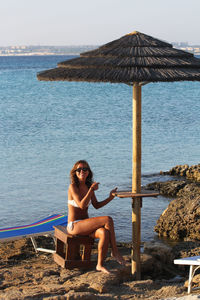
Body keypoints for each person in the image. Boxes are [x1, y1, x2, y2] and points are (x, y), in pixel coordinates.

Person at [67, 159, 126, 274]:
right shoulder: (73, 187)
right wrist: (91, 190)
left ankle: (99, 265)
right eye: (79, 169)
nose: (82, 171)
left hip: (85, 226)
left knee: (104, 233)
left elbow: (97, 205)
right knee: (108, 219)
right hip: (74, 226)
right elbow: (82, 205)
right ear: (75, 172)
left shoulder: (89, 187)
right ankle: (115, 252)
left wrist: (110, 197)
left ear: (88, 172)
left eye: (85, 169)